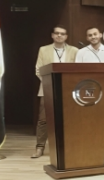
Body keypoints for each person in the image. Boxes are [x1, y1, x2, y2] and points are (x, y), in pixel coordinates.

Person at [32, 25, 77, 158]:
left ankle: (68, 147)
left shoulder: (75, 50)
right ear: (52, 35)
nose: (59, 36)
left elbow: (76, 71)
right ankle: (40, 148)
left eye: (62, 34)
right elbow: (38, 70)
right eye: (56, 33)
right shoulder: (43, 50)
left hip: (68, 90)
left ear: (66, 36)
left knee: (68, 119)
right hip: (47, 89)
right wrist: (50, 84)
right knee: (43, 120)